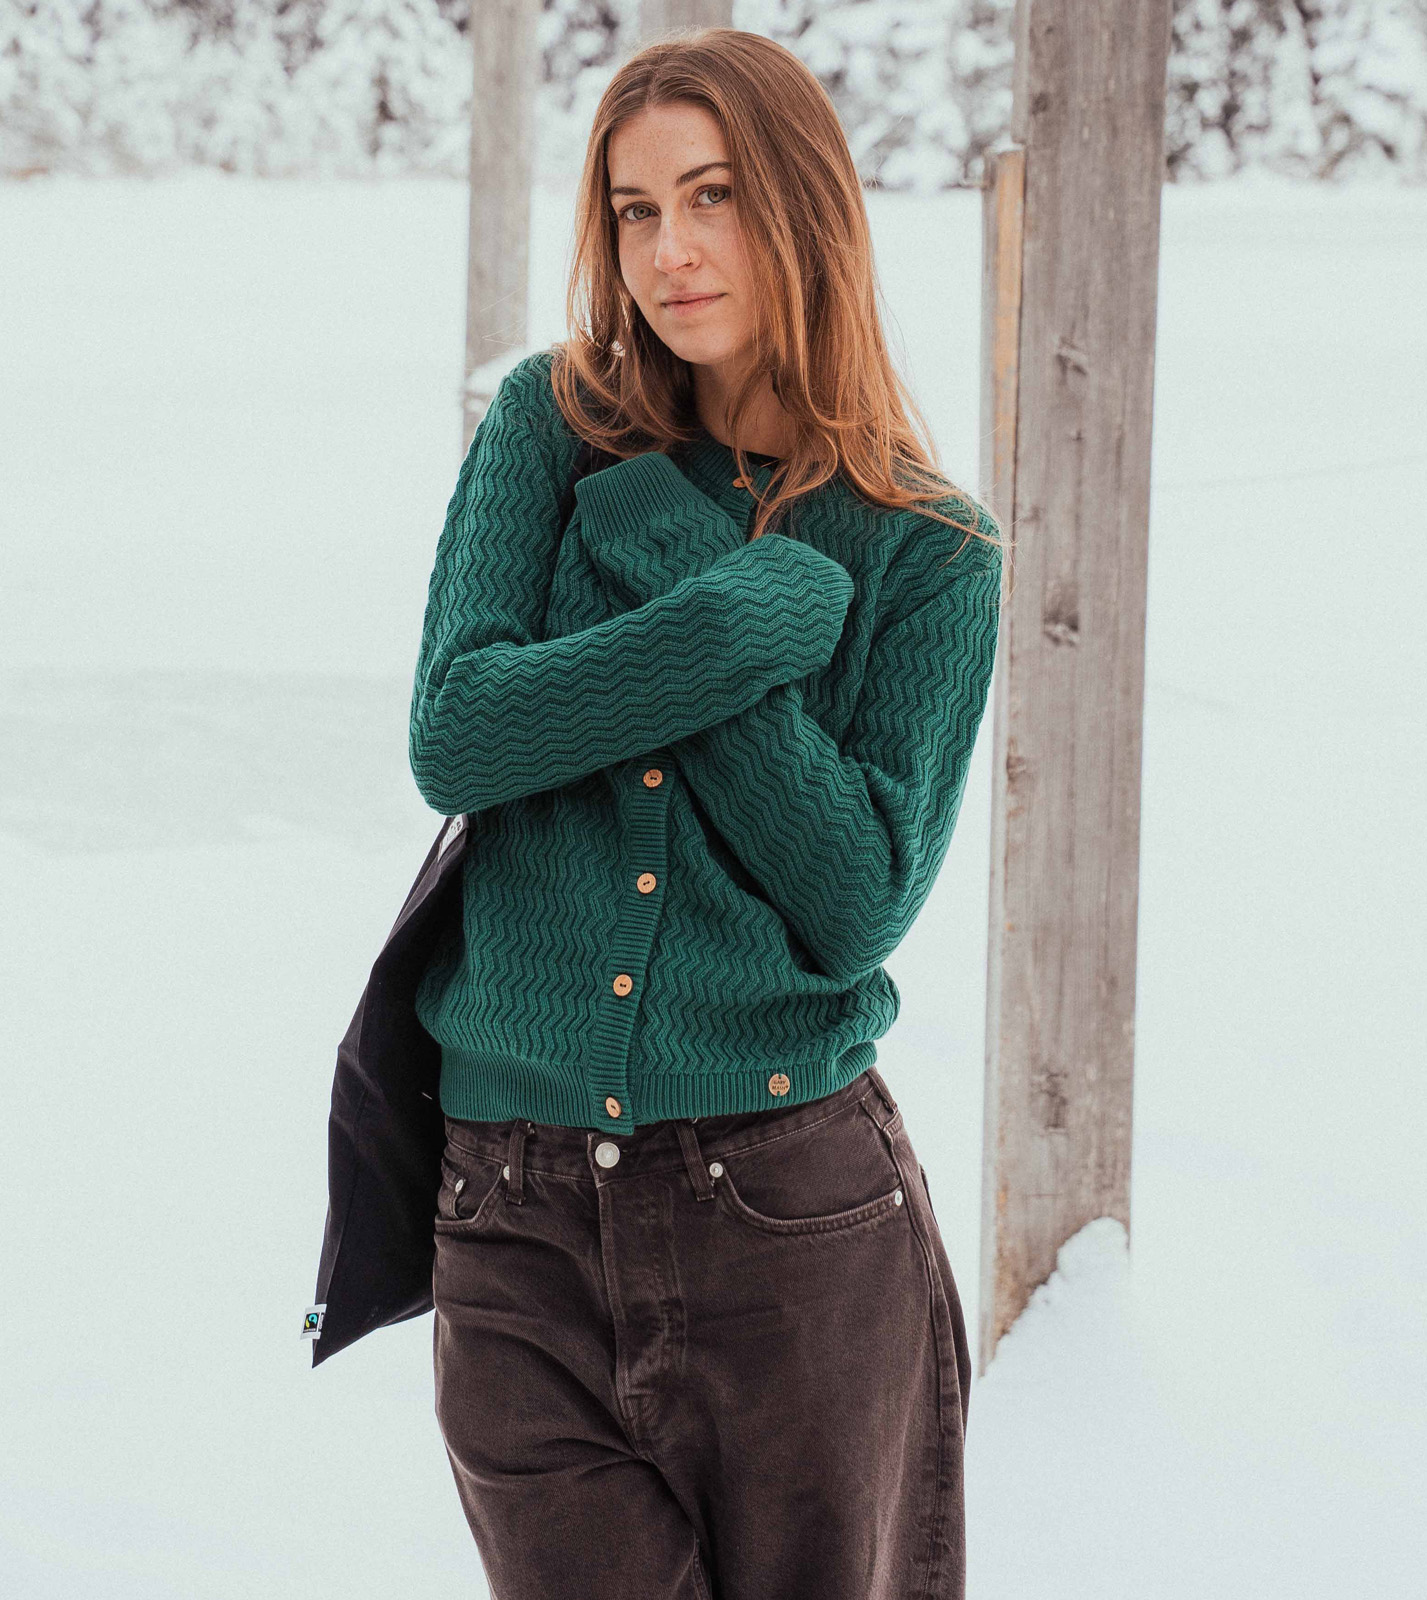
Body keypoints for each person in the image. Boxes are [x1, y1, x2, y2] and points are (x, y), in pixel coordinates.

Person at [410, 26, 1004, 1600]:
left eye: (714, 196)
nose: (669, 249)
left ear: (806, 205)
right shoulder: (551, 430)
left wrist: (682, 582)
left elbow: (858, 896)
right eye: (635, 209)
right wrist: (733, 617)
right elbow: (460, 733)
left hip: (792, 1224)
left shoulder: (931, 550)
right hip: (516, 1216)